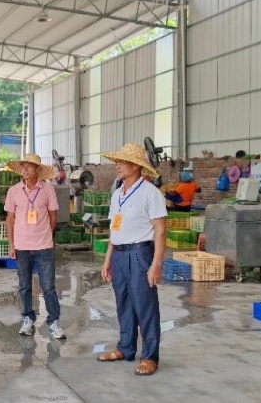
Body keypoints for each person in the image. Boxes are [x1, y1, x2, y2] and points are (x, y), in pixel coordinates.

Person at [97, 143, 167, 376]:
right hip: (118, 254)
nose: (117, 165)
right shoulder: (118, 194)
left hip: (140, 254)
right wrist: (107, 260)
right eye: (116, 161)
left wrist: (156, 264)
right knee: (123, 303)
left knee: (145, 305)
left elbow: (160, 230)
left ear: (137, 167)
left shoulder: (150, 193)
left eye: (122, 162)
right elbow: (113, 230)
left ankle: (149, 356)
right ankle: (126, 348)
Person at [4, 154, 66, 339]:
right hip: (22, 246)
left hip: (43, 246)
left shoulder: (48, 190)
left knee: (48, 287)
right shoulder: (14, 191)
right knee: (24, 286)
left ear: (38, 170)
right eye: (23, 167)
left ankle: (54, 322)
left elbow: (53, 216)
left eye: (29, 167)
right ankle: (27, 319)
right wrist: (11, 243)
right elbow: (10, 219)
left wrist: (46, 234)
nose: (25, 170)